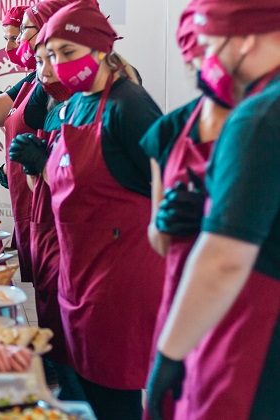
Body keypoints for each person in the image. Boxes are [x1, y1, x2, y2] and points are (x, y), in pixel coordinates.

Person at [22, 2, 164, 418]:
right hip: (77, 276)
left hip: (120, 282)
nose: (57, 64)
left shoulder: (129, 105)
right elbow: (80, 183)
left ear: (100, 49)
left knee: (114, 400)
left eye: (68, 52)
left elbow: (167, 185)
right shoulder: (73, 105)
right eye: (49, 56)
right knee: (82, 392)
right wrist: (41, 164)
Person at [146, 1, 280, 419]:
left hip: (251, 338)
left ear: (241, 40)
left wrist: (169, 356)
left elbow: (223, 262)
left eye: (208, 45)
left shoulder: (258, 117)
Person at [0, 1, 80, 399]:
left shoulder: (75, 88)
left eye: (23, 30)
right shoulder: (29, 81)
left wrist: (43, 163)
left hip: (58, 214)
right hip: (31, 209)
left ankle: (67, 385)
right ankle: (57, 377)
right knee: (46, 302)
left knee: (63, 310)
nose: (17, 40)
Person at [138, 3, 229, 418]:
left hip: (245, 311)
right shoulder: (169, 132)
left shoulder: (264, 125)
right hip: (179, 301)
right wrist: (170, 221)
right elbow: (157, 240)